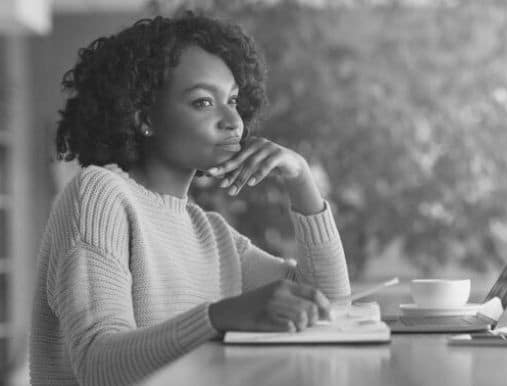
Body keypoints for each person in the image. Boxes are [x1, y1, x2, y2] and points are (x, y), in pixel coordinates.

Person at [29, 11, 351, 385]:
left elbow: (330, 304)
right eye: (203, 102)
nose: (233, 120)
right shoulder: (100, 194)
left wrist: (300, 179)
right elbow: (97, 364)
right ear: (142, 116)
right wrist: (220, 317)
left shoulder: (208, 231)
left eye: (232, 99)